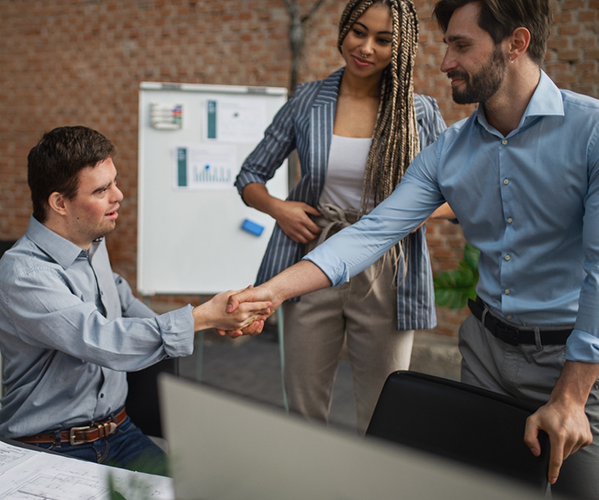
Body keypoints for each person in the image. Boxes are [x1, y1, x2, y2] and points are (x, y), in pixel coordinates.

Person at [228, 0, 599, 497]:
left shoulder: (590, 132)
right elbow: (372, 231)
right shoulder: (448, 151)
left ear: (516, 43)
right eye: (447, 44)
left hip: (573, 364)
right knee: (481, 489)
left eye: (461, 45)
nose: (445, 62)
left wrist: (573, 395)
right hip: (486, 356)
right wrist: (271, 292)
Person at [0, 126, 269, 476]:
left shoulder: (90, 244)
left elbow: (120, 299)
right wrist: (200, 318)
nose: (119, 195)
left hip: (119, 432)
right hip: (53, 445)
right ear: (60, 202)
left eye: (114, 183)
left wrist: (222, 317)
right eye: (102, 190)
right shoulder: (25, 274)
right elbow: (104, 340)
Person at [234, 0, 449, 434]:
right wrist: (279, 208)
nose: (366, 47)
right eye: (358, 32)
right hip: (313, 257)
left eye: (383, 39)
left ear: (401, 45)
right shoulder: (308, 100)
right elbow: (250, 175)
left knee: (384, 408)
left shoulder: (418, 112)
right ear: (343, 31)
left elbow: (457, 196)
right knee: (304, 407)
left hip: (389, 266)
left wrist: (403, 217)